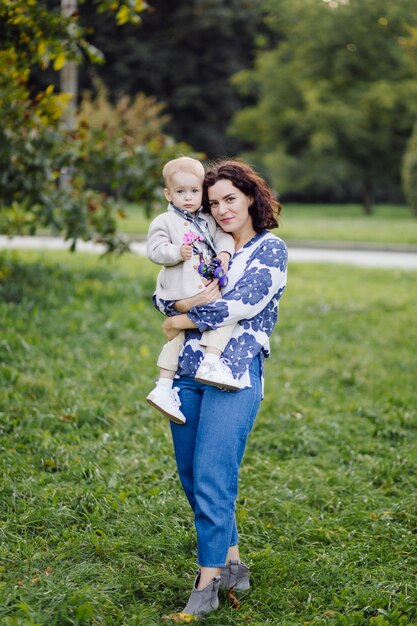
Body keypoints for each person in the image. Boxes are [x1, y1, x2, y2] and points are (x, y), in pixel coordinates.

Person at [155, 159, 288, 621]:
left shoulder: (270, 249)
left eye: (230, 198)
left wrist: (181, 318)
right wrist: (179, 306)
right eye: (214, 202)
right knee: (193, 475)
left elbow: (241, 304)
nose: (222, 209)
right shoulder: (204, 243)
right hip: (188, 371)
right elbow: (162, 295)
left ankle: (206, 584)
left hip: (234, 373)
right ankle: (233, 564)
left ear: (251, 197)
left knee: (213, 473)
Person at [146, 156, 240, 425]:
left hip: (202, 286)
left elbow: (223, 236)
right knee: (215, 320)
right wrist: (176, 251)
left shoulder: (207, 219)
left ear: (202, 191)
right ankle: (195, 370)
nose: (188, 197)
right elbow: (154, 250)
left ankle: (171, 382)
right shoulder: (164, 221)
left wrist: (223, 253)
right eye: (180, 192)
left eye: (194, 191)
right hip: (179, 290)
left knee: (180, 335)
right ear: (168, 193)